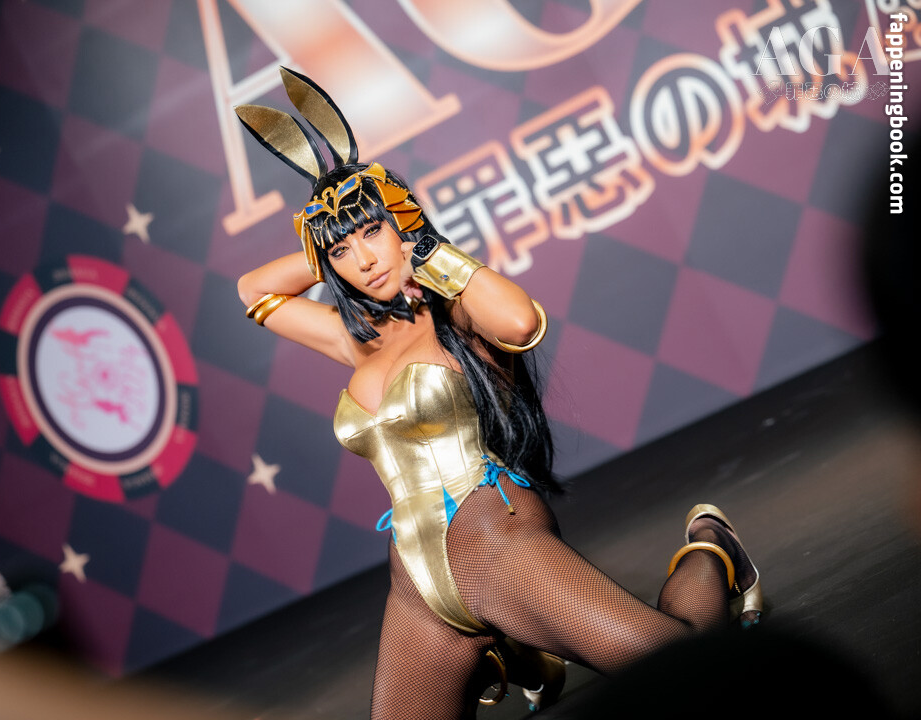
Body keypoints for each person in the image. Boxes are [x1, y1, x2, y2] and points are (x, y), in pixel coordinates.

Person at [235, 68, 763, 720]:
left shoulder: (454, 311)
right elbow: (253, 291)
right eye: (343, 251)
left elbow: (520, 324)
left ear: (402, 221)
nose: (364, 260)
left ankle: (712, 550)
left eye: (373, 232)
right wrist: (325, 238)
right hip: (417, 581)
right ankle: (516, 653)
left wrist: (427, 248)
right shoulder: (354, 338)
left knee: (682, 673)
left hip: (497, 544)